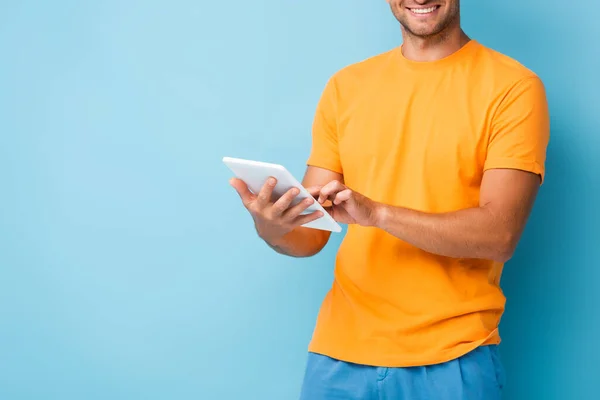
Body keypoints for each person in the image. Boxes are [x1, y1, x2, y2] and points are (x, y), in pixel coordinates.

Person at [229, 0, 549, 398]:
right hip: (338, 358)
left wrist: (377, 213)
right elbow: (310, 235)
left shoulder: (513, 86)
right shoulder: (346, 87)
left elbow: (499, 235)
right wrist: (271, 225)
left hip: (453, 357)